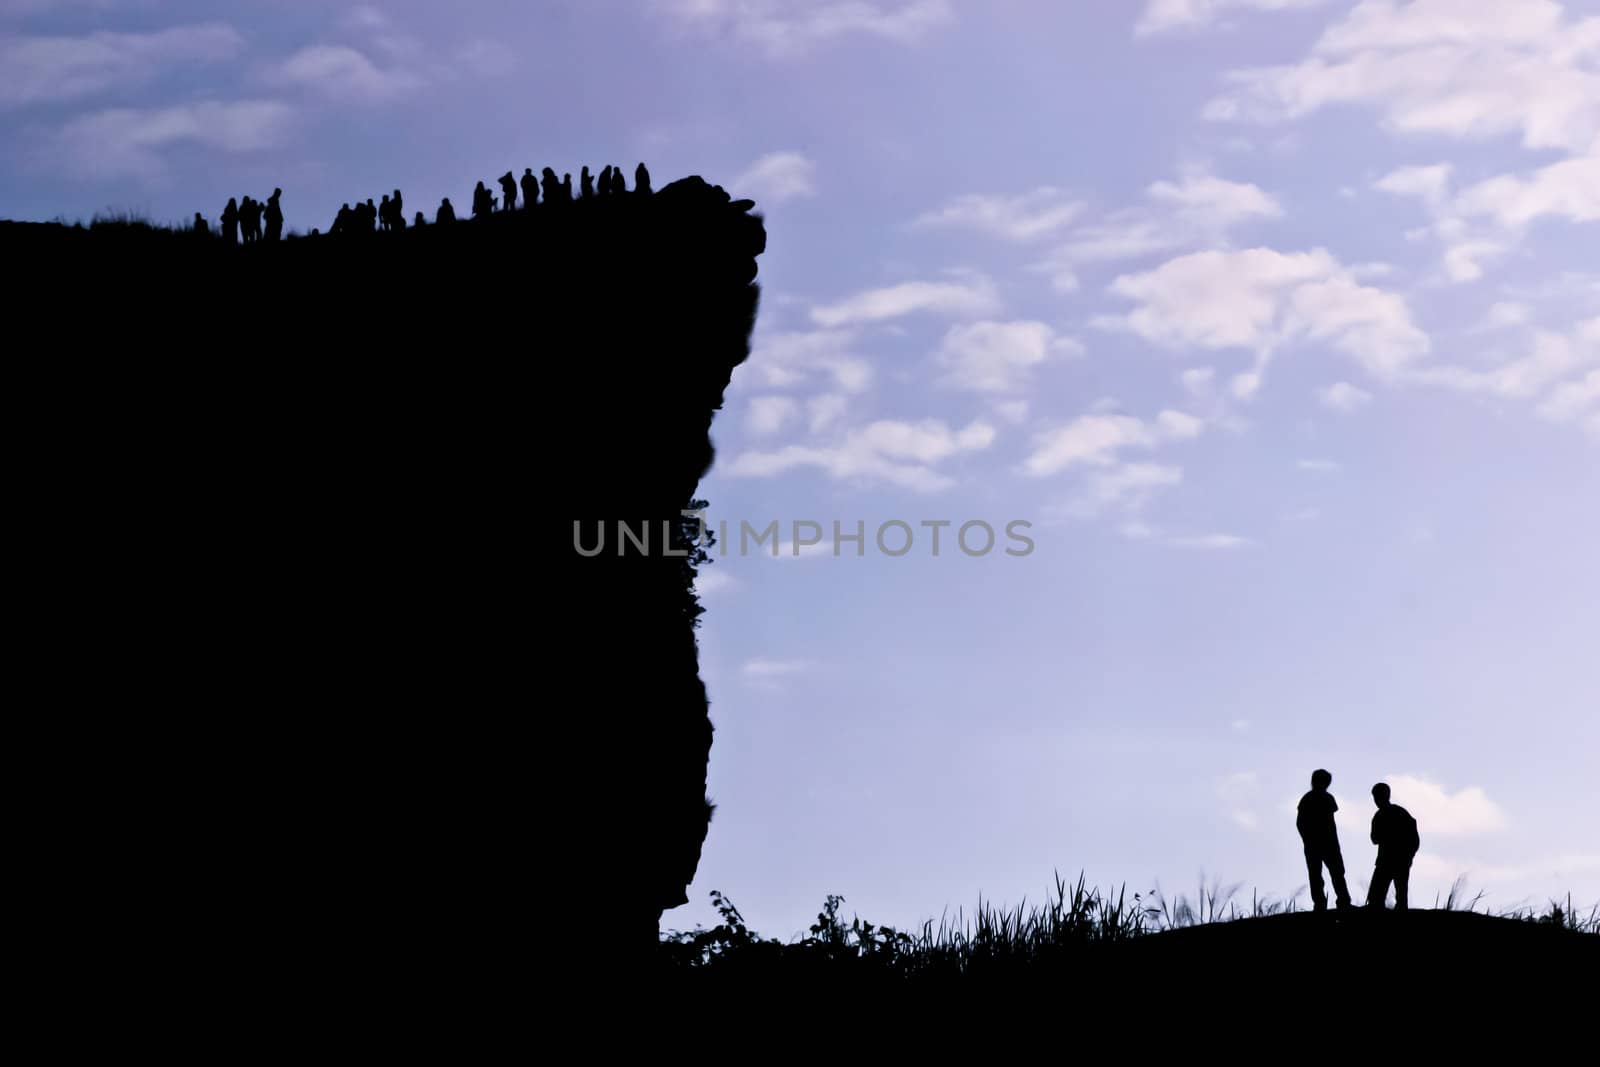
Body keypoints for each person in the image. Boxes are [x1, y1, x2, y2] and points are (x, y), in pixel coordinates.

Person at [1297, 769, 1353, 912]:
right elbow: (1301, 823)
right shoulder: (1322, 798)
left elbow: (1300, 823)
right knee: (1326, 874)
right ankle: (1334, 902)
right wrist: (1308, 839)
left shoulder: (1310, 798)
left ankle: (1335, 902)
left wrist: (1308, 839)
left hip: (1324, 843)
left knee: (1328, 874)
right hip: (1325, 843)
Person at [1368, 783, 1419, 911]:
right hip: (1395, 860)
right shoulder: (1398, 812)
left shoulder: (1380, 816)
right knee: (1395, 895)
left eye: (1377, 797)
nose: (1376, 800)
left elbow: (1374, 839)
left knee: (1381, 897)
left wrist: (1409, 855)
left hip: (1391, 860)